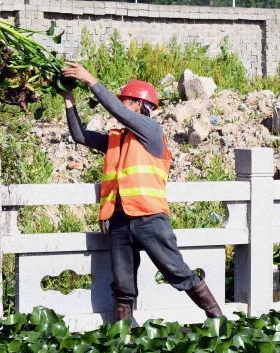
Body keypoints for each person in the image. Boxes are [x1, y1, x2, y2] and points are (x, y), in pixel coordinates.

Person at [60, 62, 222, 322]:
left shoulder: (151, 131)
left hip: (149, 218)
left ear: (138, 105)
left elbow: (115, 111)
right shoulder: (117, 138)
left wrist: (90, 79)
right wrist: (68, 98)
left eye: (125, 99)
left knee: (177, 272)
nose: (121, 103)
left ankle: (218, 319)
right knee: (122, 285)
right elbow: (79, 135)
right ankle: (124, 339)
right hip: (120, 220)